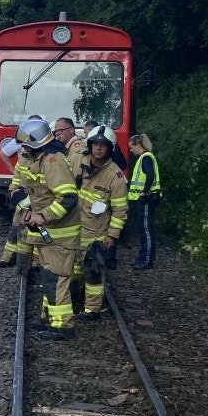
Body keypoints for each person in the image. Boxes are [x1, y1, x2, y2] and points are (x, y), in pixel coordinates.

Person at [11, 119, 81, 339]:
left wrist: (43, 215)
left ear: (35, 141)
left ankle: (63, 326)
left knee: (57, 279)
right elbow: (39, 194)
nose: (23, 149)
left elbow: (68, 198)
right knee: (49, 276)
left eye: (26, 144)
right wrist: (31, 210)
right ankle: (49, 317)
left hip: (60, 235)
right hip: (49, 235)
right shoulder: (39, 159)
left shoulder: (53, 161)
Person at [75, 126, 129, 320]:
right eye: (95, 144)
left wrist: (112, 235)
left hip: (96, 234)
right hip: (74, 228)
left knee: (93, 272)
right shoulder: (79, 161)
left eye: (103, 145)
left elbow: (120, 210)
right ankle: (76, 301)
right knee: (74, 270)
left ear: (109, 148)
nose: (98, 148)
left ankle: (92, 310)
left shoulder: (115, 177)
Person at [127, 133, 161, 270]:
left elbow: (150, 176)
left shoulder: (145, 158)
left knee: (146, 230)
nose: (130, 151)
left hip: (146, 199)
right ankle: (144, 258)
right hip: (145, 199)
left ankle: (146, 261)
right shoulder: (144, 158)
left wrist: (144, 192)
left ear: (138, 145)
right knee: (144, 229)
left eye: (131, 148)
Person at [0, 136, 27, 267]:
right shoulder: (23, 159)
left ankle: (30, 263)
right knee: (16, 228)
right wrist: (13, 191)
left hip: (36, 200)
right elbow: (17, 178)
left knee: (32, 232)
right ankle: (8, 258)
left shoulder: (44, 159)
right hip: (24, 198)